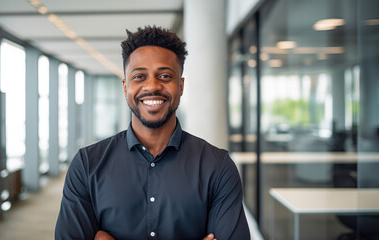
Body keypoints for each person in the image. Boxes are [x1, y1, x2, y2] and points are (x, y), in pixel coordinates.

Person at [55, 26, 250, 240]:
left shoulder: (217, 167)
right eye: (139, 76)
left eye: (165, 76)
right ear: (125, 86)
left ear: (181, 85)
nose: (152, 86)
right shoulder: (87, 165)